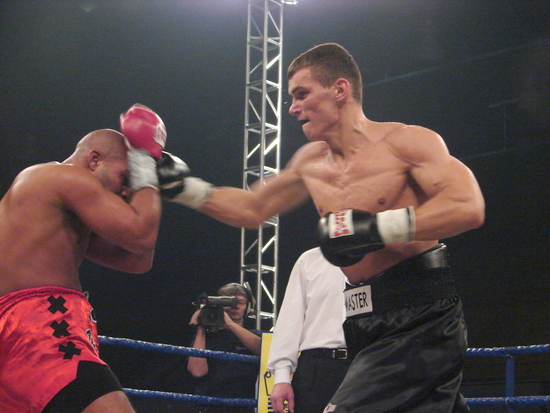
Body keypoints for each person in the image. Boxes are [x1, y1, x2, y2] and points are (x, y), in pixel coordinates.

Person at [160, 43, 485, 411]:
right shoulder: (310, 163)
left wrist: (377, 228)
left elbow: (467, 206)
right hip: (362, 320)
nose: (292, 107)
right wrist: (183, 188)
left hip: (421, 314)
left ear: (340, 89)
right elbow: (252, 207)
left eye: (302, 94)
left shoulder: (405, 142)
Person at [0, 105, 165, 413]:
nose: (126, 191)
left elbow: (138, 259)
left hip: (23, 332)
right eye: (124, 177)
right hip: (38, 327)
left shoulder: (56, 214)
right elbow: (141, 235)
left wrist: (143, 186)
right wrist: (145, 165)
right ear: (94, 160)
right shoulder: (62, 177)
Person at [267, 247, 351, 413]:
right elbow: (290, 319)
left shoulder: (380, 257)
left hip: (364, 364)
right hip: (316, 367)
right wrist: (282, 378)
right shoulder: (310, 260)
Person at [188, 283, 262, 413]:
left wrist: (229, 324)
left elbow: (262, 349)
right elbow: (197, 371)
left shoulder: (254, 336)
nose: (235, 307)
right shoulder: (205, 338)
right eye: (229, 302)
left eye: (240, 302)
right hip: (208, 407)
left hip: (242, 407)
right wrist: (200, 328)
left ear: (248, 307)